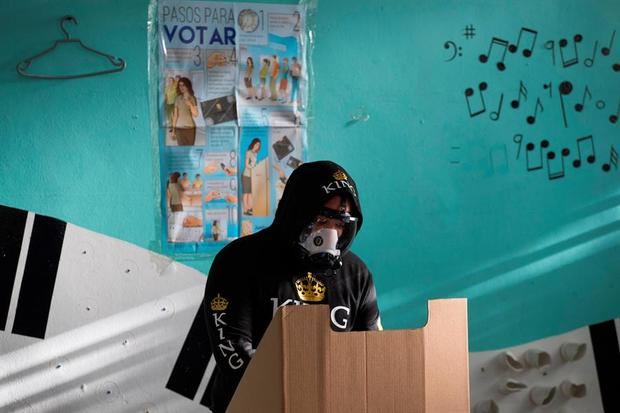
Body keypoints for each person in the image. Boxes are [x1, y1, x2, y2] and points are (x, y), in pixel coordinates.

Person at [203, 160, 382, 413]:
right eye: (322, 220)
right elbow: (233, 352)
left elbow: (372, 351)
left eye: (340, 225)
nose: (331, 234)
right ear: (294, 215)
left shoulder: (356, 274)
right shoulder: (238, 262)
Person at [171, 77, 199, 146]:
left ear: (187, 86)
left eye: (183, 85)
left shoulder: (192, 98)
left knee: (190, 150)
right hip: (179, 129)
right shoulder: (177, 98)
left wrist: (190, 104)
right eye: (180, 85)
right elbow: (175, 116)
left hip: (190, 128)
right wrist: (173, 131)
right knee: (181, 150)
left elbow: (195, 114)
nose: (181, 87)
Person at [242, 138, 261, 215]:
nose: (257, 146)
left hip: (252, 175)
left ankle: (249, 208)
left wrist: (257, 166)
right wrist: (253, 168)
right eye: (256, 144)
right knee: (246, 193)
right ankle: (245, 210)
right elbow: (247, 165)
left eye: (259, 145)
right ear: (253, 144)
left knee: (250, 193)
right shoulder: (248, 152)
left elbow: (253, 163)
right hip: (247, 175)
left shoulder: (255, 153)